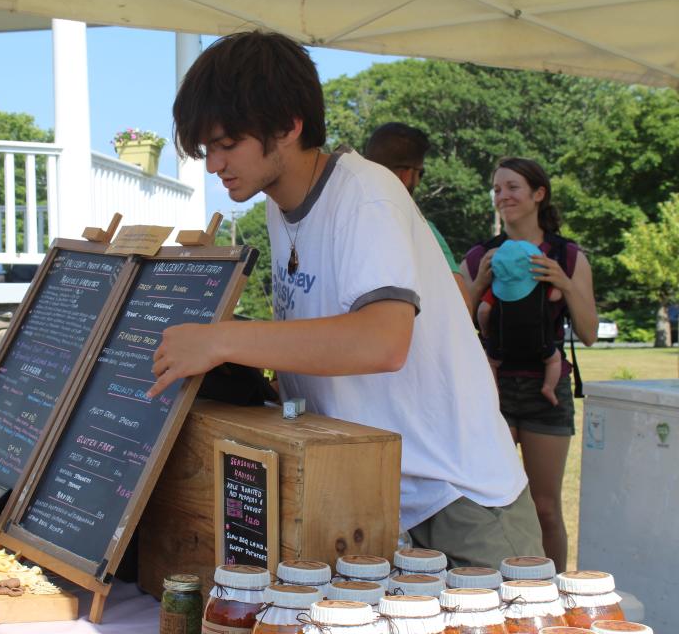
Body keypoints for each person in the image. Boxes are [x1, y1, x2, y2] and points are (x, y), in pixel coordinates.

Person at [152, 30, 543, 568]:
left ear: (288, 125)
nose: (214, 164)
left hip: (458, 498)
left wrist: (223, 340)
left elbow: (382, 342)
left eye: (227, 144)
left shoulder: (365, 193)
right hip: (368, 492)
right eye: (207, 149)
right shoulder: (275, 204)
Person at [462, 158, 598, 572]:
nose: (503, 196)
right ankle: (494, 593)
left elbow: (589, 332)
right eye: (497, 189)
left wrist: (563, 279)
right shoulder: (480, 255)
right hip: (492, 388)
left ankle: (554, 598)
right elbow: (456, 328)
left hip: (547, 389)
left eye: (513, 187)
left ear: (539, 194)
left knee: (545, 509)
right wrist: (481, 284)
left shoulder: (568, 255)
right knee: (486, 506)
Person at [363, 122, 470, 310]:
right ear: (407, 174)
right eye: (421, 172)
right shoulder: (420, 228)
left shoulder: (339, 221)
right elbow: (462, 306)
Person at [475, 240, 563, 405]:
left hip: (502, 344)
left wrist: (486, 331)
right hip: (539, 343)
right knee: (554, 359)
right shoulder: (542, 287)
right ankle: (549, 388)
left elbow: (483, 311)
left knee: (491, 363)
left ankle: (495, 393)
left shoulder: (494, 292)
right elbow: (557, 296)